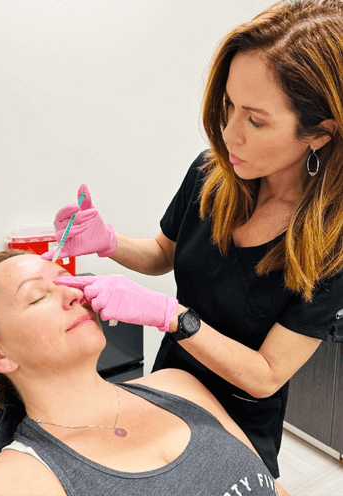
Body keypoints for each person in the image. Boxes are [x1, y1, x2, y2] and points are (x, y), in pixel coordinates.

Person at [41, 0, 343, 480]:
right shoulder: (211, 174)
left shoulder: (331, 244)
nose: (228, 134)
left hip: (241, 422)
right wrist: (107, 241)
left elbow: (265, 376)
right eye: (228, 107)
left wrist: (173, 317)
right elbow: (163, 254)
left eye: (256, 120)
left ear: (319, 134)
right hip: (171, 384)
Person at [0, 250, 291, 495]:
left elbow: (275, 490)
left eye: (70, 281)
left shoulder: (178, 385)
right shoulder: (14, 482)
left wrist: (174, 313)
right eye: (38, 296)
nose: (74, 295)